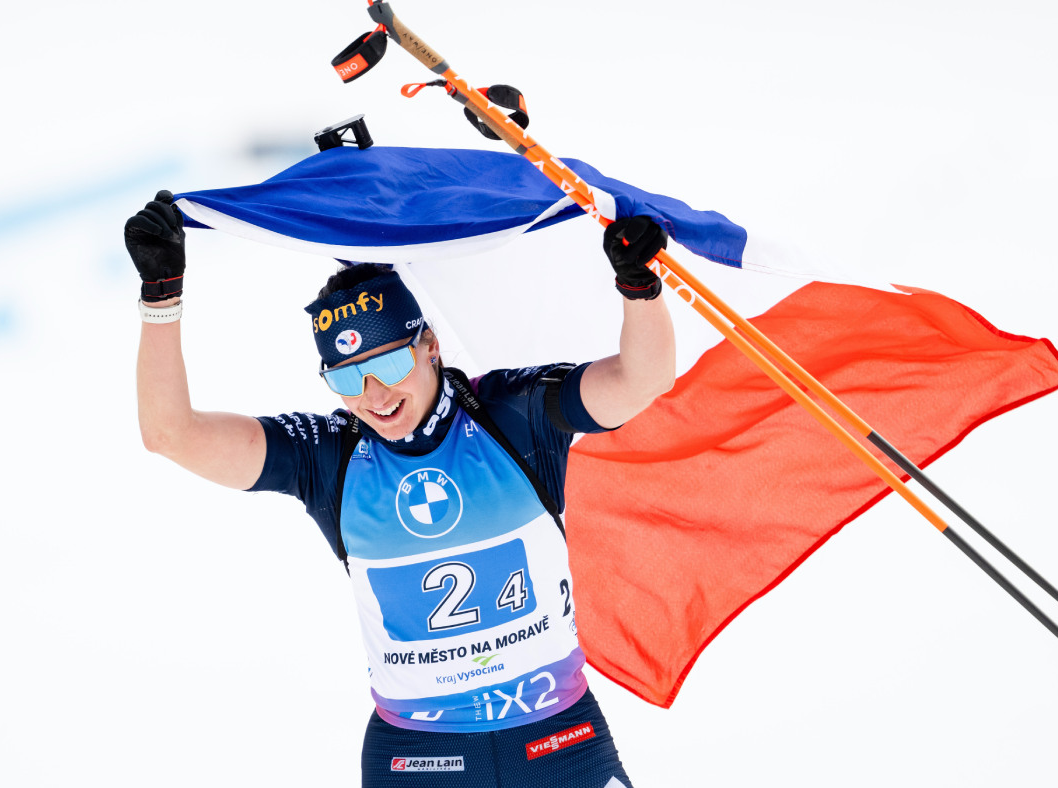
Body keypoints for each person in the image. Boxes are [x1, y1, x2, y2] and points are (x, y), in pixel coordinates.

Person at [127, 190, 675, 787]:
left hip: (559, 742)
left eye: (389, 365)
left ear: (429, 346)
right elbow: (170, 434)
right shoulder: (328, 456)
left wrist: (639, 289)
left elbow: (641, 379)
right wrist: (161, 297)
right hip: (417, 759)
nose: (375, 396)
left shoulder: (512, 413)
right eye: (347, 378)